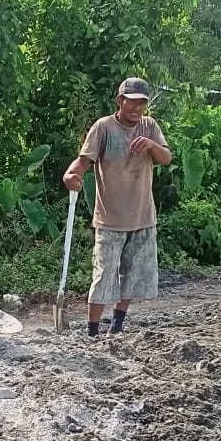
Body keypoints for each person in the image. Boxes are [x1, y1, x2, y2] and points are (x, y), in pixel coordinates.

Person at [62, 77, 172, 337]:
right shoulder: (104, 127)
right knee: (103, 276)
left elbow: (166, 158)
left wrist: (151, 145)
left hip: (142, 216)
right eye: (131, 102)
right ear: (120, 100)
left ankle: (118, 324)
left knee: (131, 277)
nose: (136, 108)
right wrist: (70, 175)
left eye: (142, 103)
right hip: (110, 218)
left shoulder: (149, 126)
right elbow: (83, 161)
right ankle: (91, 330)